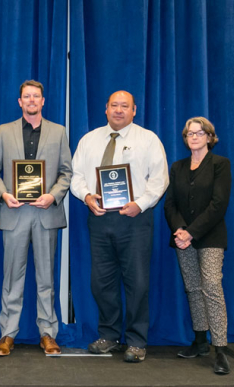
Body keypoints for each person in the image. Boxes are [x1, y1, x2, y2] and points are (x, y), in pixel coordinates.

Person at [71, 90, 168, 362]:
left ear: (134, 110)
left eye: (125, 106)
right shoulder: (89, 140)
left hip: (135, 220)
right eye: (114, 105)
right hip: (99, 219)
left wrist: (142, 203)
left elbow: (159, 179)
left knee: (137, 282)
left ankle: (137, 341)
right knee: (101, 283)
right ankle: (109, 336)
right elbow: (76, 176)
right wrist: (87, 196)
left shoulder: (148, 139)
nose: (119, 110)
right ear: (106, 108)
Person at [0, 80, 72, 356]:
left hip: (46, 212)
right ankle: (7, 333)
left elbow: (66, 172)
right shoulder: (3, 131)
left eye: (36, 96)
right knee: (12, 277)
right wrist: (3, 195)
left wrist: (53, 195)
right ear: (20, 101)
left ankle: (48, 333)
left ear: (43, 101)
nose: (32, 100)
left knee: (46, 278)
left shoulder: (59, 132)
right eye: (27, 96)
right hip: (14, 213)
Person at [164, 117, 231, 375]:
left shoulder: (220, 165)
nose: (194, 137)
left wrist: (191, 232)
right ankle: (200, 341)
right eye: (190, 133)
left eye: (199, 133)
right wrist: (180, 231)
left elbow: (219, 204)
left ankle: (221, 350)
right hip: (183, 237)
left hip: (210, 236)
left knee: (211, 286)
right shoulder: (178, 167)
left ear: (209, 137)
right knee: (193, 288)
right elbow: (170, 204)